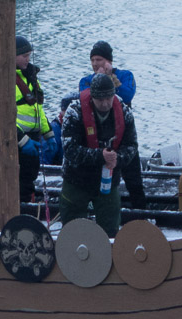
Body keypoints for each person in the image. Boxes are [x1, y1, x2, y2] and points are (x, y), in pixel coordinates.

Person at [58, 72, 138, 237]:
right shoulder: (74, 112)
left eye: (109, 98)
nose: (105, 103)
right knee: (72, 230)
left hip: (108, 180)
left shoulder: (124, 111)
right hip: (77, 179)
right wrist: (99, 156)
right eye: (100, 99)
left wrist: (118, 159)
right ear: (92, 98)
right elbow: (70, 149)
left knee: (110, 230)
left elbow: (131, 145)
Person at [0, 34, 51, 203]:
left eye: (29, 55)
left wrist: (48, 132)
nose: (28, 59)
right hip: (8, 135)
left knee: (29, 172)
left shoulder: (30, 78)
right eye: (24, 56)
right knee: (3, 171)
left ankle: (26, 201)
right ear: (11, 56)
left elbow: (37, 109)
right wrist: (22, 140)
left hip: (30, 136)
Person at [79, 41, 146, 208]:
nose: (95, 64)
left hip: (122, 133)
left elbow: (127, 95)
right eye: (92, 60)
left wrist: (111, 79)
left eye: (99, 60)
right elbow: (84, 96)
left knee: (133, 177)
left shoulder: (125, 76)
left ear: (109, 61)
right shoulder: (86, 81)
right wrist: (98, 80)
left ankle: (142, 212)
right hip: (98, 136)